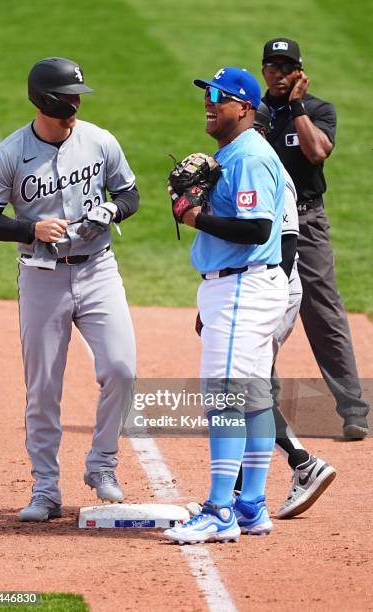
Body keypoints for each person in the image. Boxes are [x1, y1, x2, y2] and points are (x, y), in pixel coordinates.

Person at [0, 57, 138, 521]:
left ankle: (102, 466)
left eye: (77, 97)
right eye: (68, 98)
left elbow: (130, 194)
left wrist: (112, 211)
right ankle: (45, 489)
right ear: (46, 100)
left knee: (122, 368)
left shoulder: (100, 141)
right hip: (42, 277)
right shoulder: (10, 154)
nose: (75, 106)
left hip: (99, 270)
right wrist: (30, 229)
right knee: (43, 388)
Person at [186, 102, 337, 521]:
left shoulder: (264, 168)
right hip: (253, 287)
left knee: (238, 389)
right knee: (249, 388)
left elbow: (282, 246)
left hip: (267, 287)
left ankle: (276, 476)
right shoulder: (247, 162)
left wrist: (248, 296)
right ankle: (250, 496)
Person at [164, 67, 289, 544]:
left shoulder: (250, 156)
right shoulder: (235, 153)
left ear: (245, 108)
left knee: (224, 399)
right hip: (241, 285)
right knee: (254, 400)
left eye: (221, 96)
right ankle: (251, 505)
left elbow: (256, 229)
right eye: (207, 95)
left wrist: (195, 215)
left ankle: (219, 509)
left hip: (242, 287)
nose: (210, 102)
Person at [261, 38, 370, 440]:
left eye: (285, 66)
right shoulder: (252, 114)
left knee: (324, 314)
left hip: (306, 223)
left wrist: (297, 108)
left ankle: (353, 409)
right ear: (263, 71)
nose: (277, 73)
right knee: (262, 310)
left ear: (299, 72)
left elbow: (317, 152)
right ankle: (264, 406)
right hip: (264, 228)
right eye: (271, 66)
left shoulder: (319, 110)